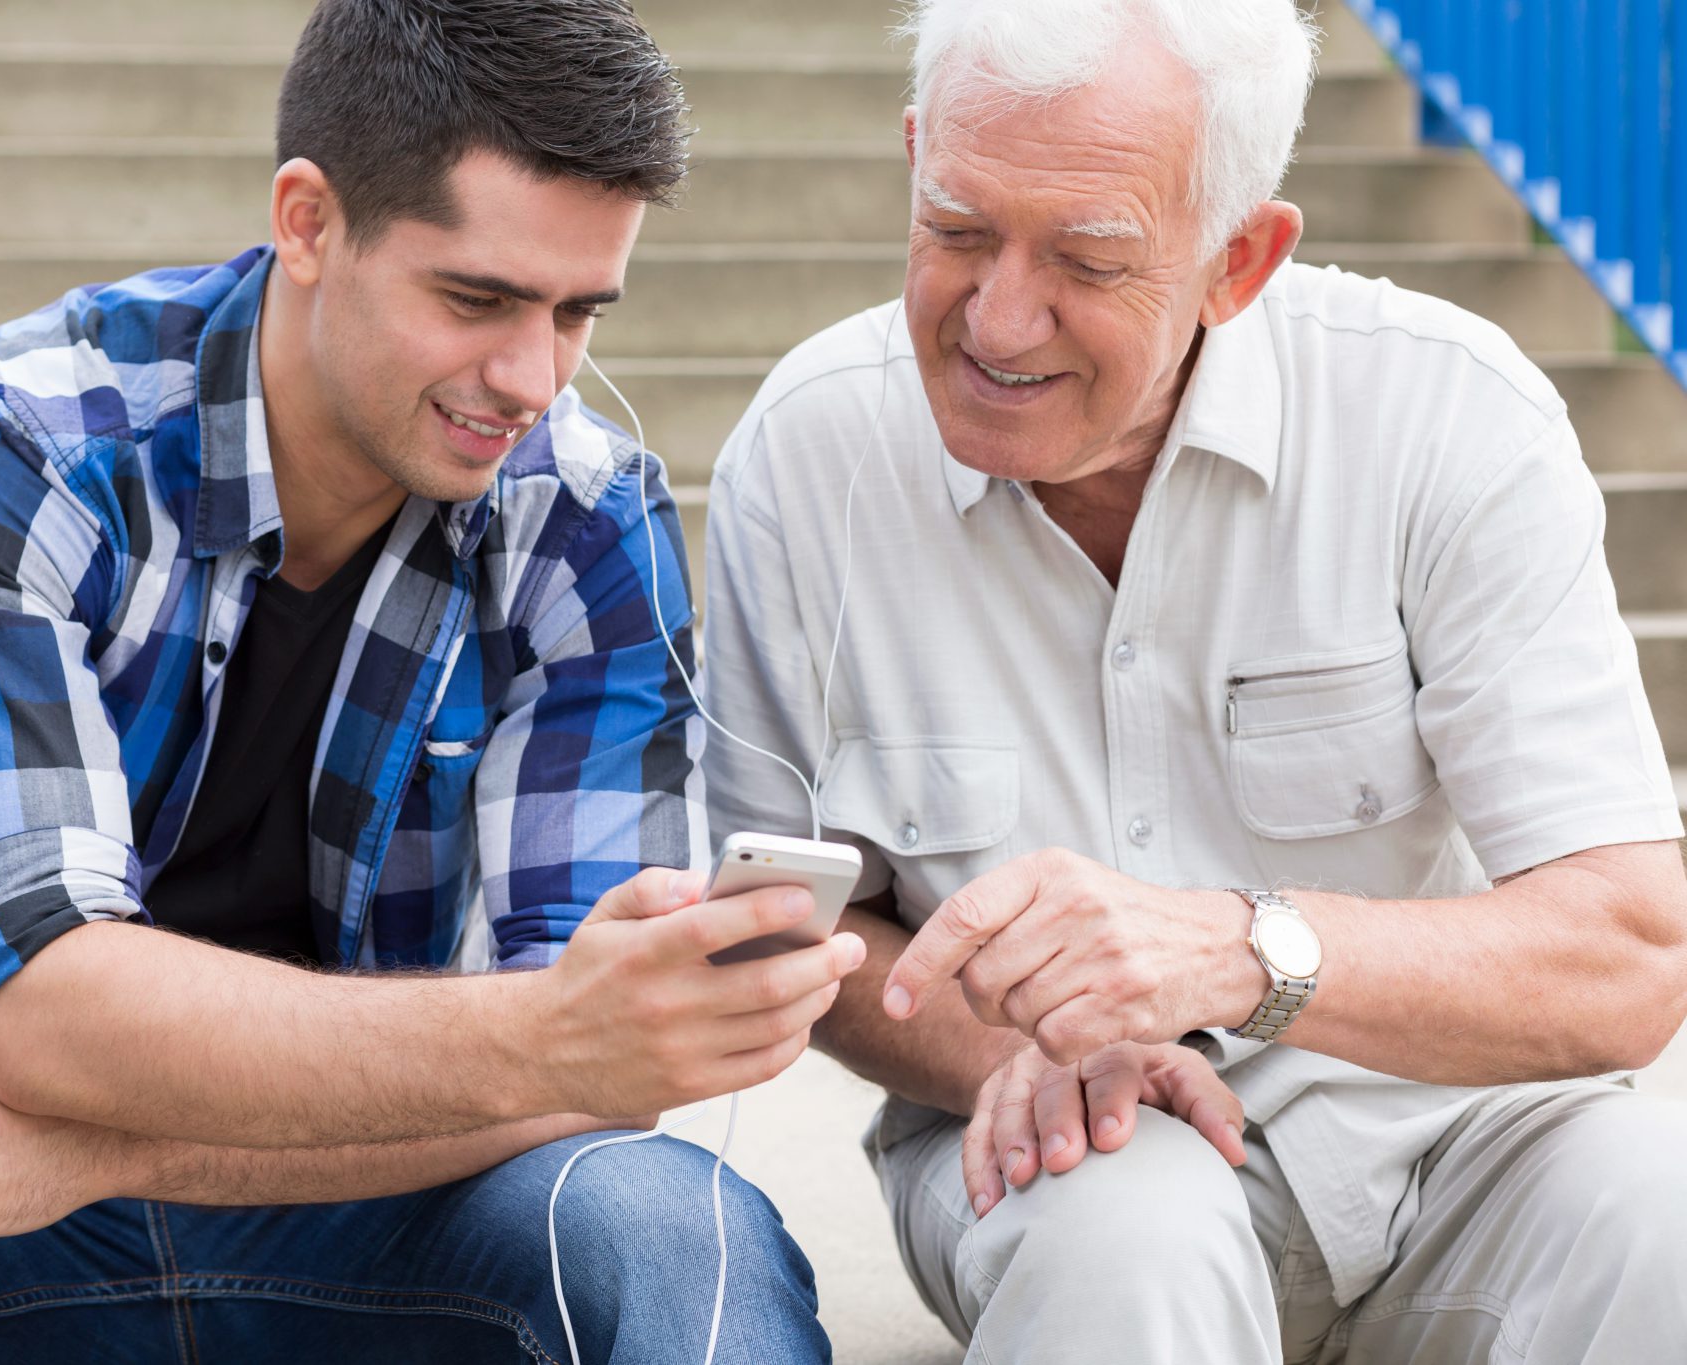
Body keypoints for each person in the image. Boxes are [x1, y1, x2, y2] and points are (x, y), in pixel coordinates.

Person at [0, 2, 858, 1360]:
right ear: (307, 221)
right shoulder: (7, 445)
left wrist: (101, 1151)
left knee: (681, 1233)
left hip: (364, 1189)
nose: (531, 378)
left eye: (578, 311)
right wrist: (553, 1034)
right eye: (476, 298)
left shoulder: (587, 517)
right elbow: (50, 1016)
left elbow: (599, 1078)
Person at [701, 0, 1687, 1360]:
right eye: (958, 228)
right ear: (915, 154)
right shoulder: (806, 457)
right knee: (1127, 1240)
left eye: (1090, 259)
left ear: (1240, 260)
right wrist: (1022, 1055)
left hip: (1453, 1129)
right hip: (1052, 1145)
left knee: (1666, 1220)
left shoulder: (1452, 415)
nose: (995, 317)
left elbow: (1628, 950)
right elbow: (789, 921)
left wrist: (1243, 951)